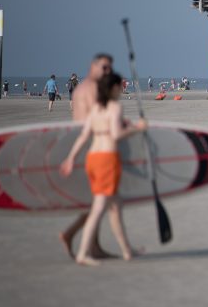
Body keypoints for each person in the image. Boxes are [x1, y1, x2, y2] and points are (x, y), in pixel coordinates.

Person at [59, 72, 147, 266]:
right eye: (120, 86)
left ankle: (127, 251)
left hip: (93, 158)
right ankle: (83, 253)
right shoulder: (115, 107)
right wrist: (137, 129)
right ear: (114, 88)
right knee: (98, 208)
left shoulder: (96, 108)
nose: (122, 89)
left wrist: (71, 158)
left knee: (116, 206)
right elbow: (116, 135)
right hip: (107, 159)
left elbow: (84, 135)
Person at [59, 53, 114, 260]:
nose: (107, 72)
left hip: (90, 147)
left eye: (110, 68)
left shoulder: (85, 88)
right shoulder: (89, 90)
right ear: (93, 66)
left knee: (97, 201)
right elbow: (92, 121)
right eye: (104, 67)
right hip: (92, 149)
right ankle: (73, 236)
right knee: (99, 201)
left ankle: (93, 245)